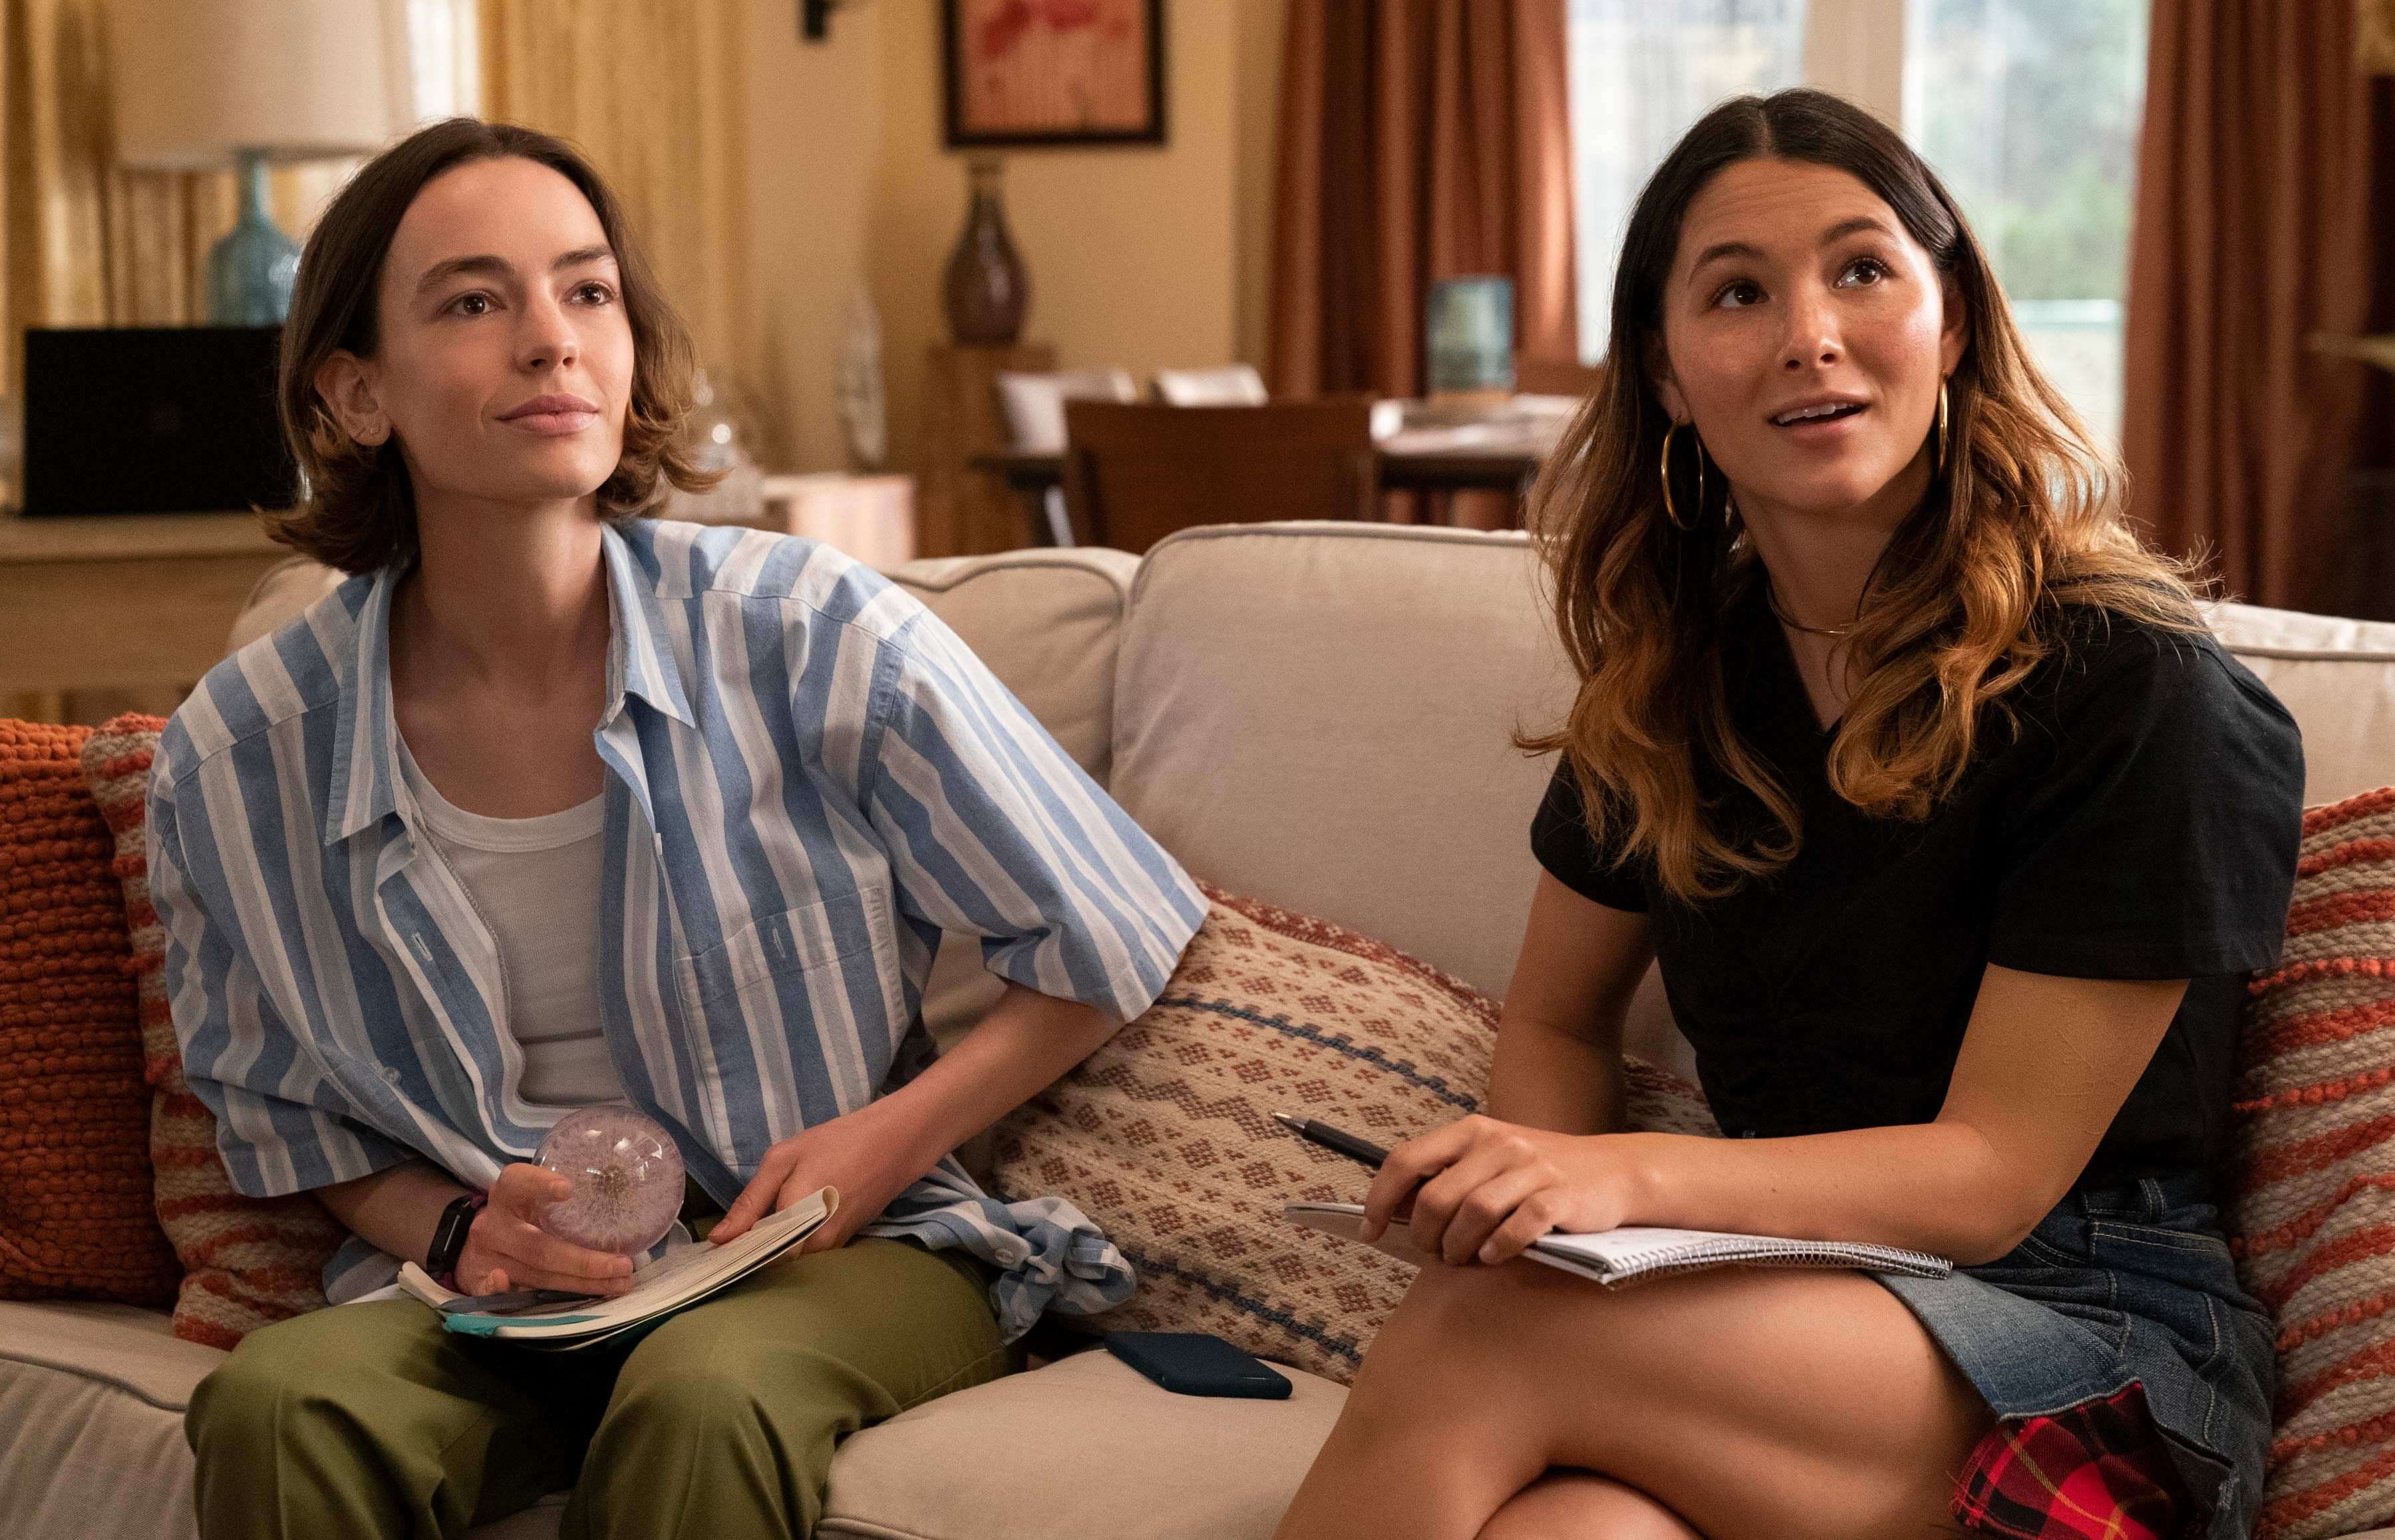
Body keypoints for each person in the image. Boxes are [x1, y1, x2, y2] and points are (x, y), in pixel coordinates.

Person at [149, 116, 1206, 1539]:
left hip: (838, 1253)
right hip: (499, 1299)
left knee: (702, 1394)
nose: (551, 340)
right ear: (356, 393)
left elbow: (1114, 927)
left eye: (586, 290)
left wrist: (880, 1145)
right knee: (281, 1403)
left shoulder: (810, 632)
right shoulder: (240, 753)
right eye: (473, 302)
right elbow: (280, 1117)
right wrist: (460, 1229)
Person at [1271, 88, 2302, 1540]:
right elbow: (1559, 1022)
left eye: (1863, 269)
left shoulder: (2137, 688)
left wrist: (1614, 1180)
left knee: (1481, 1331)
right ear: (1667, 373)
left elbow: (1991, 1180)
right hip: (1768, 1304)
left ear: (1952, 321)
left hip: (2086, 1333)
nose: (1810, 334)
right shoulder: (1680, 683)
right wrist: (1535, 1220)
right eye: (1739, 293)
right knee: (1572, 1528)